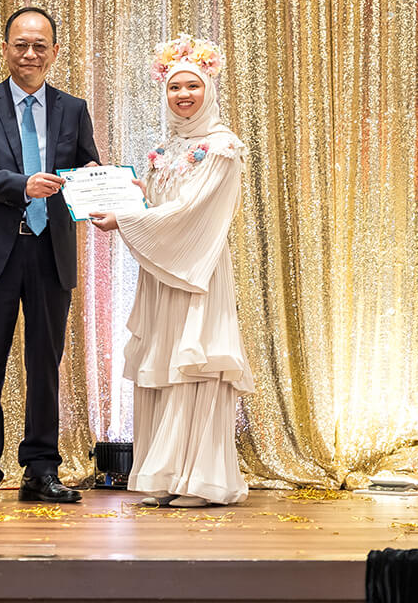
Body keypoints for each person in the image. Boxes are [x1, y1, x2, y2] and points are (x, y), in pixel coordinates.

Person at [88, 34, 252, 507]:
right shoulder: (167, 148)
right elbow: (161, 205)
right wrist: (123, 192)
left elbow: (193, 212)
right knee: (163, 363)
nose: (183, 95)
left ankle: (201, 480)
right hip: (163, 272)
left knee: (195, 363)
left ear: (209, 89)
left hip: (197, 268)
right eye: (175, 87)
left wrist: (126, 219)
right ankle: (164, 477)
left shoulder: (222, 147)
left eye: (192, 86)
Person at [0, 6, 98, 505]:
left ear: (54, 52)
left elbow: (86, 165)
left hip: (50, 251)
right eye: (21, 45)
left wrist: (99, 182)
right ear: (5, 49)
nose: (30, 54)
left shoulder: (73, 108)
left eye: (39, 45)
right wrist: (22, 185)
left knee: (45, 365)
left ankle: (41, 468)